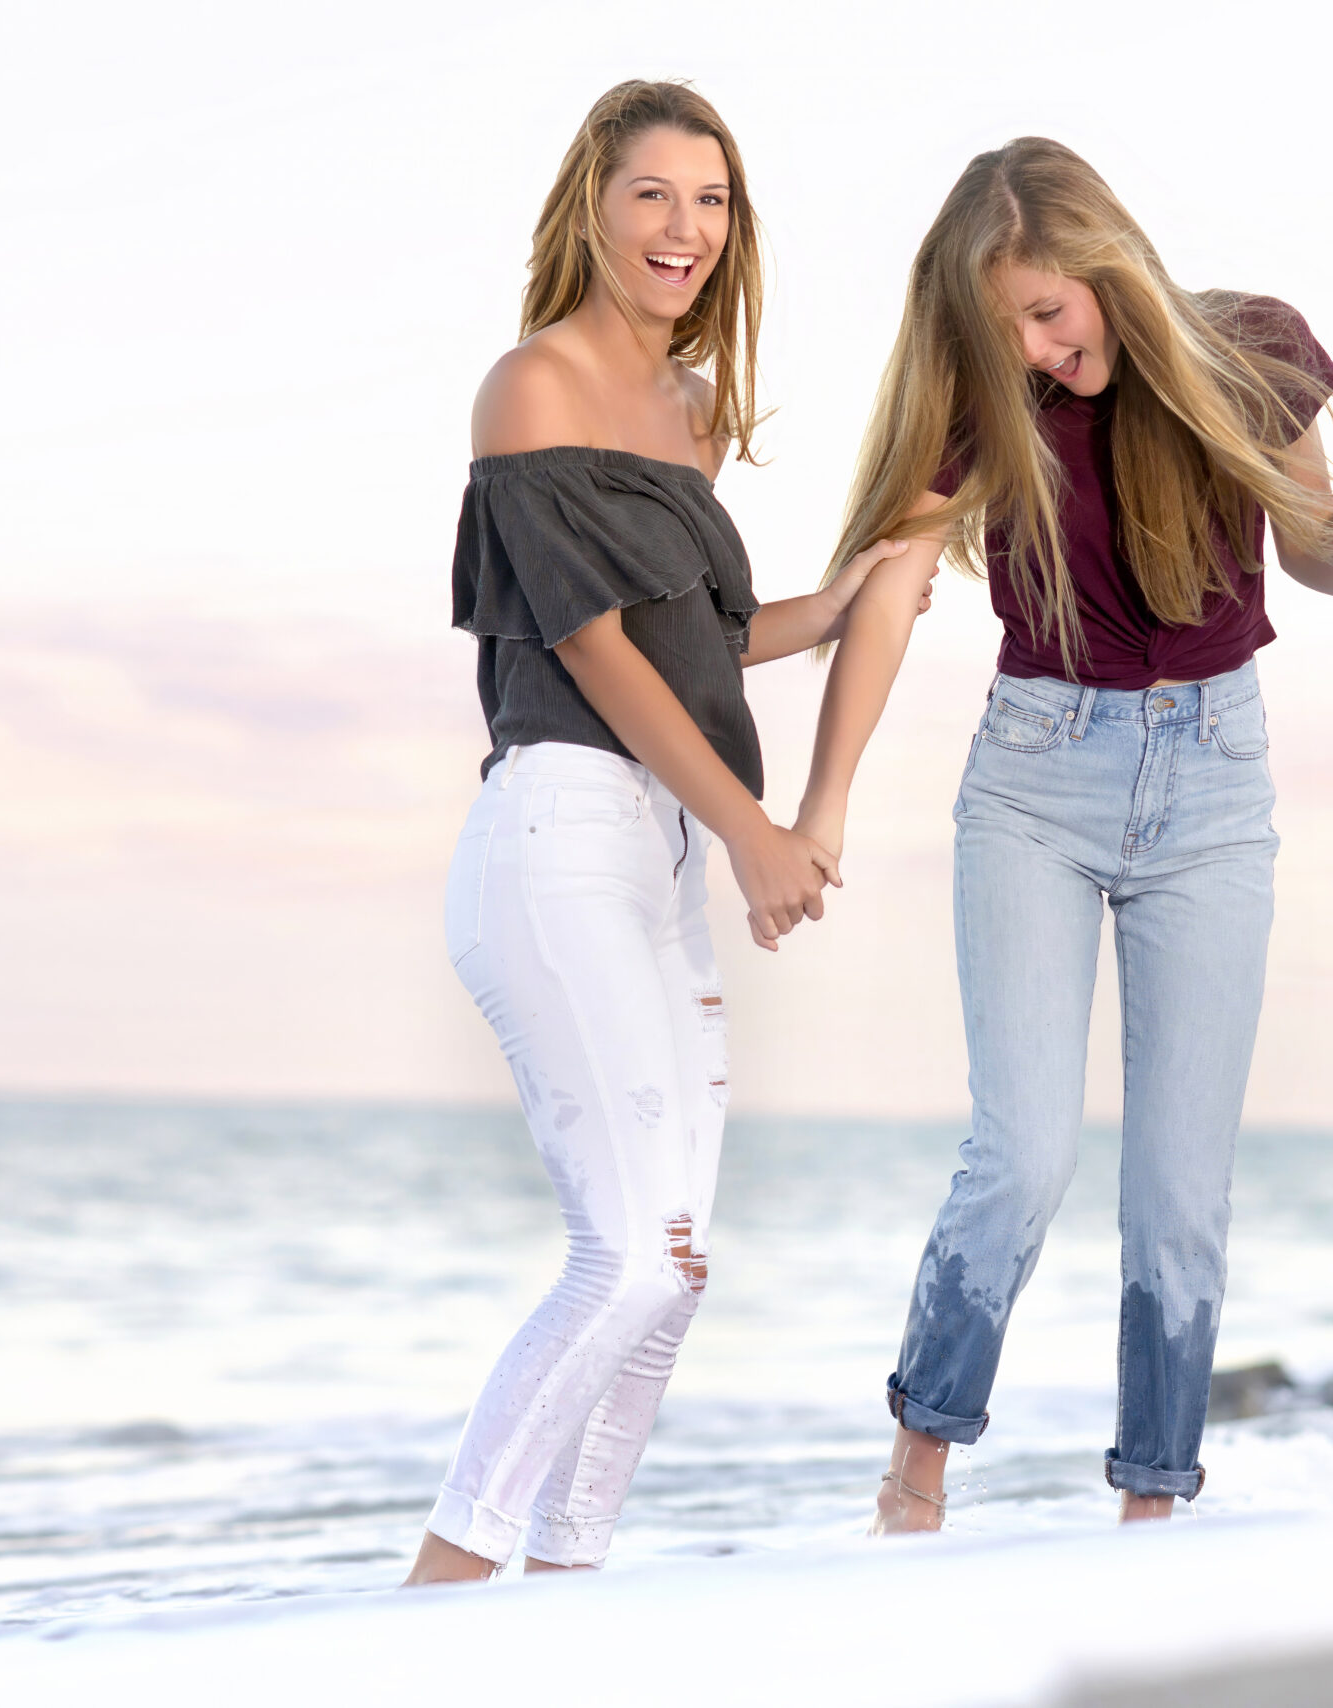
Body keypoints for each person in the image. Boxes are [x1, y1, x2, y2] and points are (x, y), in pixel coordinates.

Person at [792, 137, 1333, 1532]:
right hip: (1036, 782)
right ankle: (915, 1479)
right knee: (1023, 1156)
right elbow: (886, 597)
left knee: (1181, 1191)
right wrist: (823, 802)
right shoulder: (982, 401)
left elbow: (1317, 546)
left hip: (1216, 786)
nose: (1032, 349)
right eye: (1000, 328)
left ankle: (1151, 1516)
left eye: (1046, 312)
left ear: (1108, 265)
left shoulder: (1254, 351)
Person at [405, 80, 921, 1584]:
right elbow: (595, 647)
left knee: (677, 1270)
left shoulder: (692, 412)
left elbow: (705, 643)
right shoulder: (532, 386)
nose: (684, 228)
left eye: (711, 201)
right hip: (562, 831)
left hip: (662, 856)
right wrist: (757, 828)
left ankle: (567, 1584)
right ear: (594, 205)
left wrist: (849, 596)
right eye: (653, 194)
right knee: (627, 1253)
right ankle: (439, 1593)